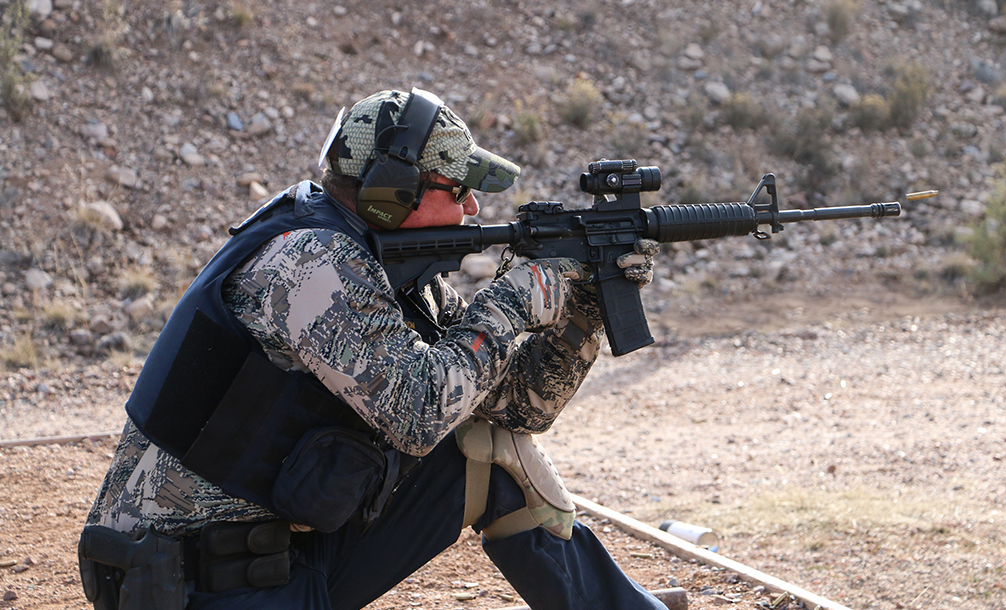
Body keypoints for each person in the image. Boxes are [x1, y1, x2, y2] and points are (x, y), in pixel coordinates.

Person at [79, 88, 664, 610]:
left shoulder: (392, 271)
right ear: (393, 193)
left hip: (285, 558)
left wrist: (586, 308)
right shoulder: (311, 263)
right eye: (457, 189)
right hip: (189, 584)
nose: (473, 209)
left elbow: (515, 406)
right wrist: (513, 301)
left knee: (491, 447)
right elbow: (419, 412)